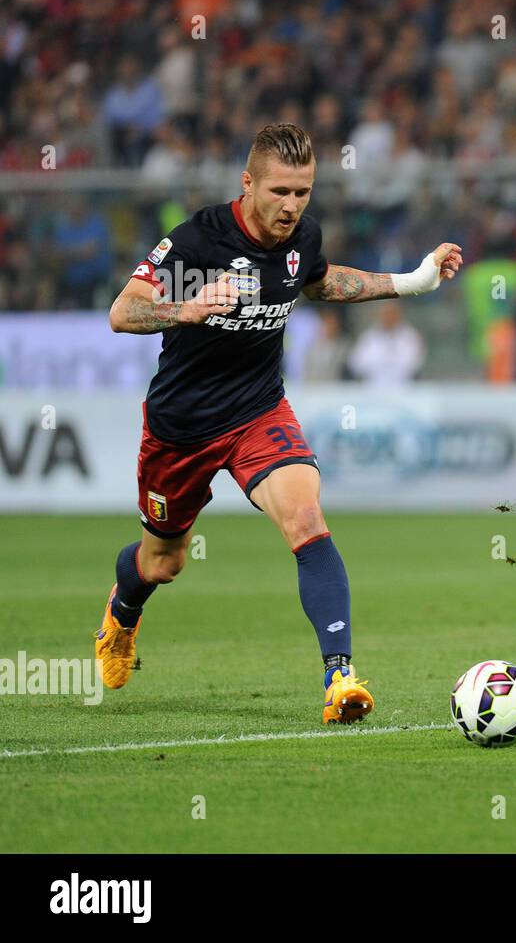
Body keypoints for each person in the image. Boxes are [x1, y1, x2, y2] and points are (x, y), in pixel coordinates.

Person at [98, 123, 462, 723]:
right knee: (163, 561)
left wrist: (412, 282)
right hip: (181, 425)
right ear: (247, 184)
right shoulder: (197, 240)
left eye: (303, 192)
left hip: (259, 410)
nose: (292, 206)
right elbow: (123, 312)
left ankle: (339, 677)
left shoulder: (302, 239)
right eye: (280, 192)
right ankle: (123, 612)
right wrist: (182, 309)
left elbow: (321, 282)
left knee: (306, 517)